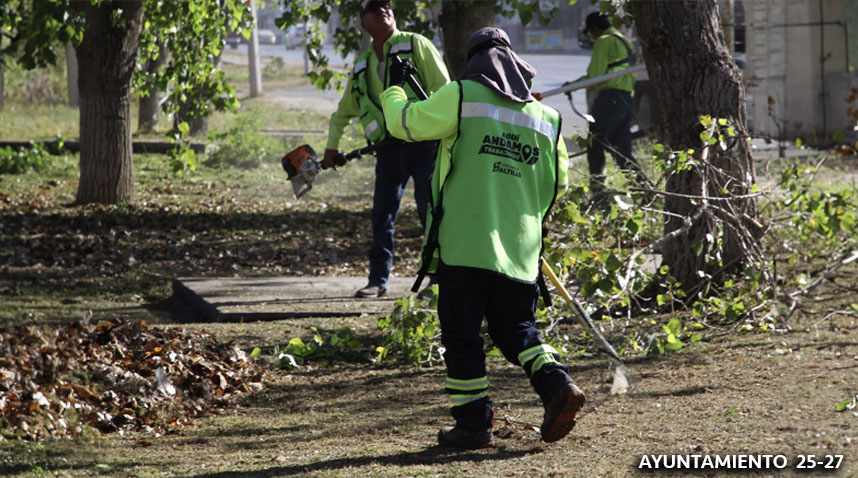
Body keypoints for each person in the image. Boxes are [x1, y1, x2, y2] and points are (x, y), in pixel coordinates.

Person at [380, 27, 585, 450]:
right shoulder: (546, 118)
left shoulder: (461, 96)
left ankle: (473, 426)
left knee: (461, 335)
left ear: (473, 63)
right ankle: (557, 386)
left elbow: (405, 124)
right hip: (520, 249)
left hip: (465, 243)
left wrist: (394, 91)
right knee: (517, 329)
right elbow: (557, 182)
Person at [321, 0, 450, 298]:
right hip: (389, 151)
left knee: (429, 213)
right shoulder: (362, 64)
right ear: (363, 22)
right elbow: (343, 112)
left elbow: (445, 90)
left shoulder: (416, 44)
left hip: (424, 145)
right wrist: (331, 148)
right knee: (382, 215)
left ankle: (439, 279)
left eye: (387, 5)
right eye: (374, 7)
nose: (384, 8)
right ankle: (377, 281)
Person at [553, 12, 644, 201]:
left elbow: (595, 75)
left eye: (591, 33)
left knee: (595, 144)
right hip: (626, 101)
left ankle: (599, 195)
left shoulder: (604, 41)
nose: (592, 37)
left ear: (594, 29)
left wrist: (572, 85)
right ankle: (644, 191)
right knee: (622, 152)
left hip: (610, 100)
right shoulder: (624, 40)